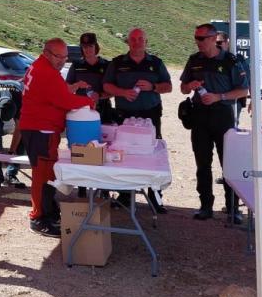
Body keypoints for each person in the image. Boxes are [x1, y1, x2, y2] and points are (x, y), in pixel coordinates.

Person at [18, 38, 93, 237]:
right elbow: (64, 100)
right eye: (58, 56)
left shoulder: (40, 66)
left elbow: (52, 93)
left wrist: (71, 87)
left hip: (37, 128)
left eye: (65, 57)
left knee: (46, 174)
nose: (62, 61)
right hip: (41, 130)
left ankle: (47, 211)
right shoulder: (47, 73)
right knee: (43, 177)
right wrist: (89, 102)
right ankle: (39, 218)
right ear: (46, 53)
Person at [180, 23, 250, 222]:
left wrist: (219, 96)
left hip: (222, 115)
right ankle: (205, 206)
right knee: (202, 163)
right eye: (196, 38)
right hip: (199, 115)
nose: (197, 42)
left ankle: (232, 208)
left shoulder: (230, 60)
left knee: (228, 163)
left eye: (201, 38)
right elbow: (183, 88)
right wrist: (190, 85)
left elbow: (243, 90)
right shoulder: (194, 60)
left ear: (213, 38)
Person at [103, 28, 172, 211]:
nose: (136, 42)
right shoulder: (117, 63)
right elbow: (107, 86)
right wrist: (122, 92)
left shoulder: (156, 63)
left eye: (140, 39)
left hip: (150, 115)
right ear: (128, 42)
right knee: (124, 154)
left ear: (146, 42)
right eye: (133, 39)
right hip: (124, 115)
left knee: (152, 154)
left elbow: (168, 87)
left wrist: (152, 86)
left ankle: (155, 197)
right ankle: (125, 196)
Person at [65, 33, 115, 124]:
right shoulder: (76, 66)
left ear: (96, 47)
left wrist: (99, 95)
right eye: (84, 47)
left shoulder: (106, 65)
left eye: (90, 46)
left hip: (103, 111)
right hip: (81, 110)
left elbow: (114, 90)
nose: (87, 49)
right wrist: (77, 85)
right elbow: (66, 89)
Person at [0, 81, 26, 190]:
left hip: (16, 93)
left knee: (24, 134)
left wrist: (11, 153)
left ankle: (11, 173)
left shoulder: (20, 100)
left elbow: (19, 129)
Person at [216, 32, 248, 124]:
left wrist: (253, 101)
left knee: (231, 126)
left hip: (234, 101)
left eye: (219, 42)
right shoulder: (211, 59)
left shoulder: (237, 59)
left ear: (227, 42)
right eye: (213, 42)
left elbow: (248, 79)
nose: (216, 45)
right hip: (216, 102)